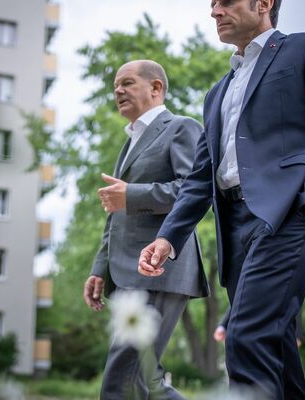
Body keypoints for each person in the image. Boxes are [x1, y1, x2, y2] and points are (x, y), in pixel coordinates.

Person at [137, 0, 305, 398]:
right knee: (276, 349)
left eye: (225, 1)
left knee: (245, 337)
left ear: (263, 3)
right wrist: (167, 237)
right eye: (212, 4)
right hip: (235, 229)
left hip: (288, 215)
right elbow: (200, 178)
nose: (214, 11)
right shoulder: (216, 94)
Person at [84, 60, 209, 400]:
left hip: (158, 270)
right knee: (146, 385)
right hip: (127, 273)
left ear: (156, 88)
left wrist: (132, 195)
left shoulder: (181, 128)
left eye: (127, 83)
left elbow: (193, 190)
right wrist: (99, 268)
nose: (118, 91)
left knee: (121, 384)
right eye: (115, 86)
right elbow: (116, 212)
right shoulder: (129, 144)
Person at [214, 306, 303, 348]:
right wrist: (223, 325)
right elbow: (240, 295)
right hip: (251, 334)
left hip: (277, 333)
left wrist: (297, 334)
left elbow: (294, 299)